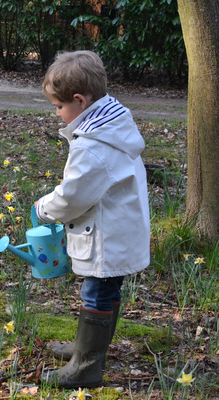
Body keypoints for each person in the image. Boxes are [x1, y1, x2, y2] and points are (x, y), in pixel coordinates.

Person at [34, 50, 150, 388]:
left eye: (58, 106)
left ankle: (86, 366)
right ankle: (90, 347)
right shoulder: (114, 124)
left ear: (80, 101)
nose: (57, 114)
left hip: (107, 234)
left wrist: (43, 208)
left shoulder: (94, 146)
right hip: (121, 226)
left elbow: (73, 196)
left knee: (96, 293)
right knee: (108, 290)